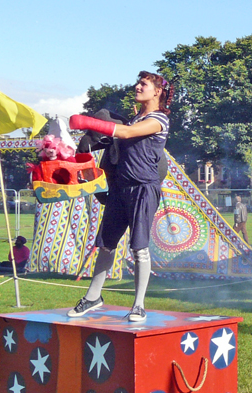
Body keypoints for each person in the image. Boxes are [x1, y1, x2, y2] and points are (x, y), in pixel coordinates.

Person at [66, 71, 174, 321]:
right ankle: (93, 297)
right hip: (120, 188)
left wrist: (88, 122)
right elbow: (114, 140)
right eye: (138, 83)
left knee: (139, 248)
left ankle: (138, 305)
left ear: (157, 91)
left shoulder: (159, 120)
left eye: (143, 84)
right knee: (105, 244)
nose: (137, 87)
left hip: (143, 188)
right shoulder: (136, 118)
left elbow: (124, 134)